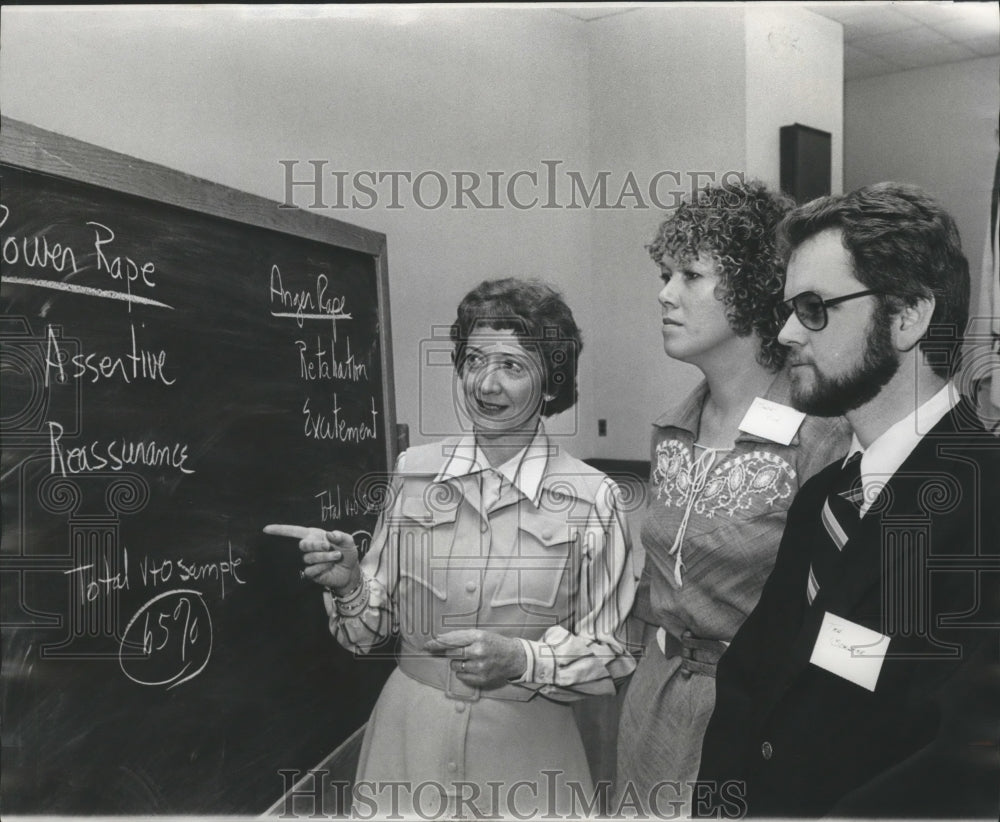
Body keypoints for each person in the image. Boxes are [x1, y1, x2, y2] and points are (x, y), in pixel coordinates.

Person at [266, 278, 638, 818]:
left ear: (553, 384)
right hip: (405, 750)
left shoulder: (594, 497)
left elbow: (613, 656)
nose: (486, 384)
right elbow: (363, 633)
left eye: (513, 366)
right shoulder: (413, 470)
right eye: (474, 360)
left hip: (528, 764)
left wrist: (522, 660)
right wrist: (349, 585)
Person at [697, 182, 1000, 818]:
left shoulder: (987, 499)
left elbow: (965, 764)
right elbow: (753, 685)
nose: (784, 332)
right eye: (788, 308)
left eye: (813, 307)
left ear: (908, 315)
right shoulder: (822, 500)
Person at [615, 180, 851, 815]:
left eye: (691, 275)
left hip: (756, 709)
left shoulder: (823, 434)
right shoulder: (672, 428)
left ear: (752, 289)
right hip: (654, 698)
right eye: (666, 274)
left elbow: (839, 615)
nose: (665, 294)